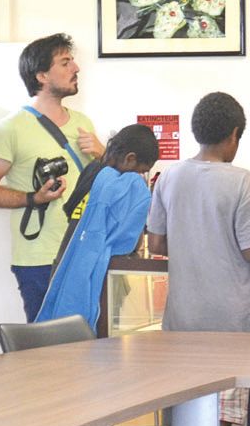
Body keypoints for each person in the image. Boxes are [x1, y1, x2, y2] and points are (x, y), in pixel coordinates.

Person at [146, 92, 250, 426]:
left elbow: (157, 242)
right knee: (221, 409)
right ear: (234, 134)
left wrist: (192, 240)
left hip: (180, 320)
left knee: (181, 400)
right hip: (228, 323)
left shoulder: (169, 176)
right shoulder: (241, 181)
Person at [0, 33, 103, 322]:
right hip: (39, 259)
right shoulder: (10, 128)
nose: (76, 68)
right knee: (47, 343)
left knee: (89, 341)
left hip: (83, 253)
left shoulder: (83, 123)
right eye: (65, 63)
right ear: (42, 76)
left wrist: (102, 154)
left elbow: (100, 184)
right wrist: (34, 198)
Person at [36, 123, 161, 330]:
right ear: (130, 159)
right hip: (101, 278)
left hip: (65, 263)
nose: (140, 177)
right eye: (141, 171)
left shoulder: (92, 171)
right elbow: (129, 241)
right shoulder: (124, 185)